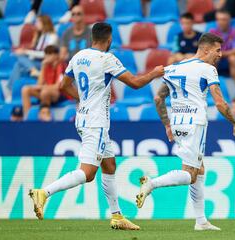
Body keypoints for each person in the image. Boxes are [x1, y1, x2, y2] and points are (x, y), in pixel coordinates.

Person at [29, 22, 164, 230]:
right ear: (109, 40)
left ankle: (117, 216)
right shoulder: (107, 59)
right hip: (96, 123)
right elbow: (135, 84)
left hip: (83, 118)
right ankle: (44, 193)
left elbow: (63, 85)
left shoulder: (78, 56)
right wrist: (155, 73)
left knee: (109, 165)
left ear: (92, 37)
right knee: (88, 173)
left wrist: (82, 100)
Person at [135, 33, 235, 231]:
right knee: (191, 174)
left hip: (177, 122)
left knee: (199, 169)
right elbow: (220, 102)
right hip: (195, 123)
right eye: (218, 50)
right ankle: (152, 183)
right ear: (205, 49)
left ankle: (201, 221)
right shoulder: (208, 69)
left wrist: (167, 125)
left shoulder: (174, 68)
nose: (221, 54)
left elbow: (159, 99)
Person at [8, 15, 58, 89]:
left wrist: (26, 52)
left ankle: (11, 90)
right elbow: (36, 53)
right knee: (18, 63)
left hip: (46, 63)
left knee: (20, 61)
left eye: (38, 22)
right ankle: (33, 71)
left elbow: (45, 54)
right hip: (36, 62)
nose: (35, 24)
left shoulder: (53, 37)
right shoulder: (41, 36)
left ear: (44, 23)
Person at [21, 45, 66, 117]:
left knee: (45, 92)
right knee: (25, 89)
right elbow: (39, 83)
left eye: (50, 54)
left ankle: (46, 117)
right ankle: (28, 117)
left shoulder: (61, 66)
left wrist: (42, 87)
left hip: (60, 94)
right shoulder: (46, 65)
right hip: (46, 91)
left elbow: (58, 86)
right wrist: (43, 67)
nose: (47, 57)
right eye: (46, 54)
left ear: (56, 55)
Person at [209, 10, 235, 82]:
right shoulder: (212, 32)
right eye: (219, 19)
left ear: (229, 20)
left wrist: (221, 53)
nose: (221, 22)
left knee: (234, 58)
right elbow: (211, 49)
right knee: (212, 58)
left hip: (230, 56)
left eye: (224, 20)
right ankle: (212, 85)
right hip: (219, 56)